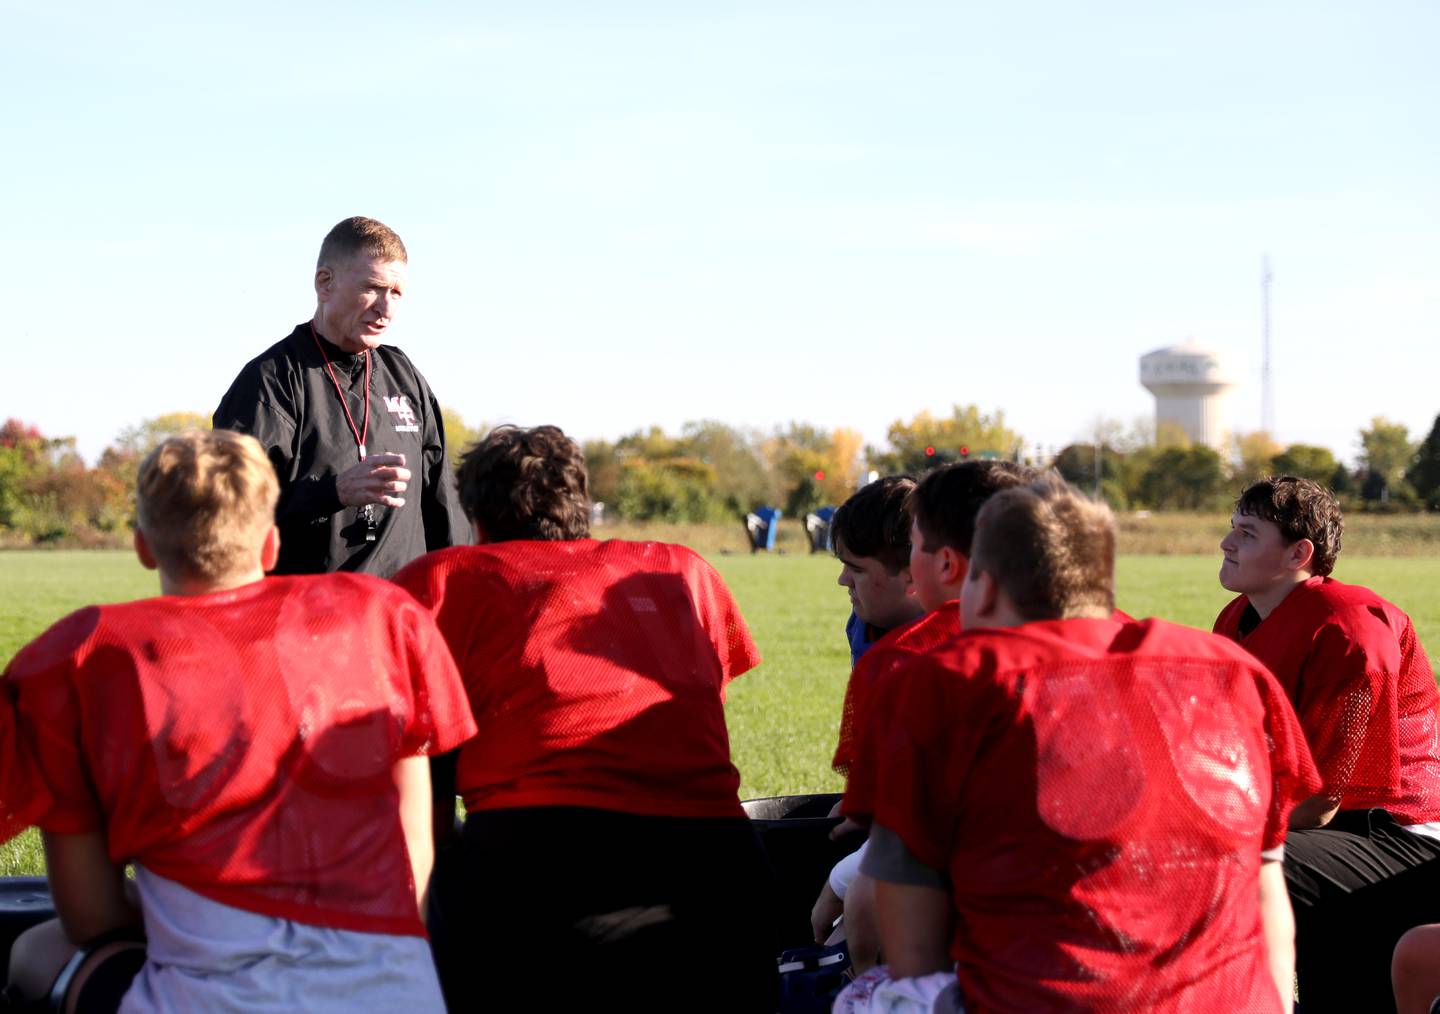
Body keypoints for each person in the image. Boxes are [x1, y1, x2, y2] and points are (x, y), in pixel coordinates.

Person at [5, 430, 477, 1011]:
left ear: (143, 547)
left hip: (206, 995)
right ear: (271, 544)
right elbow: (413, 863)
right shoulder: (382, 619)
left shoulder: (86, 657)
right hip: (394, 990)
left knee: (35, 951)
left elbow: (91, 918)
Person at [835, 477, 1320, 1013]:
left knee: (862, 994)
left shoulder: (942, 680)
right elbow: (1265, 876)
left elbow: (908, 931)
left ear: (982, 582)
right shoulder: (1236, 672)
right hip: (1233, 1001)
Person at [392, 424, 777, 1013]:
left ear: (477, 516)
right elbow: (695, 708)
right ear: (578, 502)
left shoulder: (446, 579)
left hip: (543, 865)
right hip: (718, 869)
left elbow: (426, 776)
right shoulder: (680, 569)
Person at [1213, 475, 1440, 1012]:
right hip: (1332, 825)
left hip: (1401, 827)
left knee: (1233, 865)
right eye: (1232, 528)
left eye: (1247, 532)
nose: (1226, 542)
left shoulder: (1349, 628)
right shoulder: (1240, 618)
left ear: (1299, 552)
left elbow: (1322, 801)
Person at [814, 462, 1038, 968]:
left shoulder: (913, 662)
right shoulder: (1171, 655)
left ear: (942, 565)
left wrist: (848, 879)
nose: (842, 579)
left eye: (914, 547)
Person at [214, 215, 469, 577]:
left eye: (397, 293)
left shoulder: (404, 377)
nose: (387, 308)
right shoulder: (270, 382)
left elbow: (443, 503)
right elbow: (228, 516)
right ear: (325, 283)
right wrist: (331, 493)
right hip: (310, 621)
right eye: (373, 287)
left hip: (400, 617)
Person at [832, 476, 925, 666]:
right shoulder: (864, 622)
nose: (843, 580)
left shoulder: (948, 652)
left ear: (912, 577)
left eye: (856, 569)